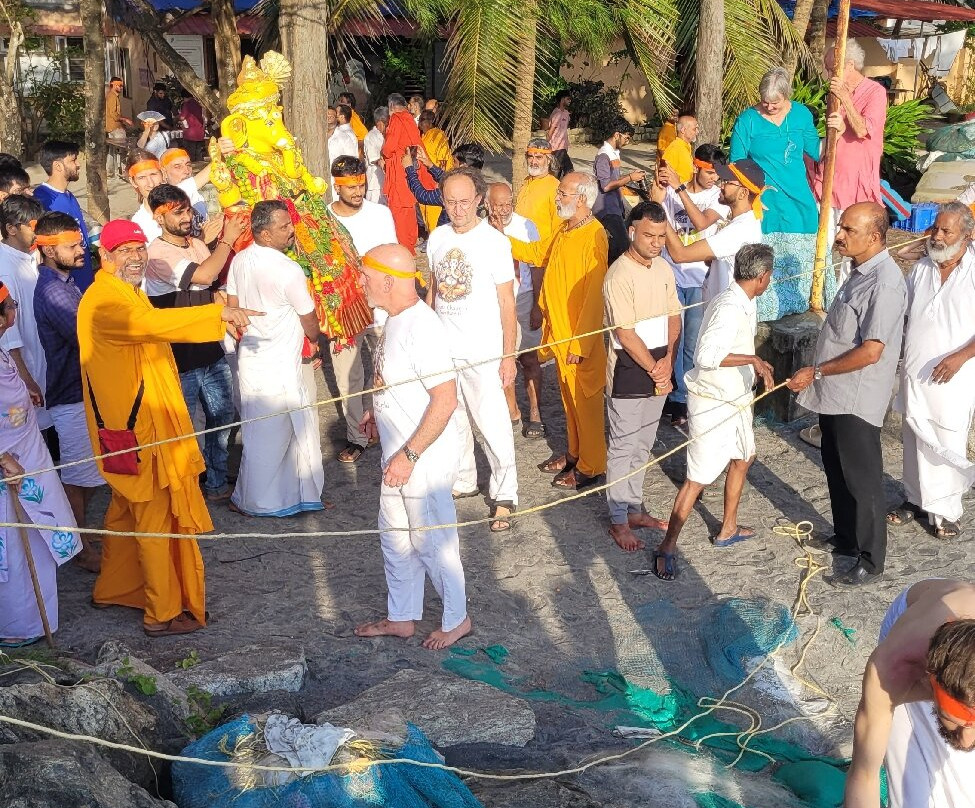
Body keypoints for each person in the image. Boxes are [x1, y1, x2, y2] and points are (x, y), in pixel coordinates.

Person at [79, 219, 258, 637]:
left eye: (140, 249)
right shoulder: (105, 302)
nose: (137, 257)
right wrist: (218, 313)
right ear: (104, 257)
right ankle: (162, 613)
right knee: (156, 520)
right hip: (134, 432)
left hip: (134, 426)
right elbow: (153, 327)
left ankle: (116, 588)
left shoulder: (124, 292)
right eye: (125, 251)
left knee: (128, 511)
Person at [353, 243, 471, 650]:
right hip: (397, 454)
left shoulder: (423, 327)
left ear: (388, 280)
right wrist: (377, 412)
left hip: (422, 457)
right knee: (395, 536)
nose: (361, 282)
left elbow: (445, 399)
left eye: (366, 276)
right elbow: (395, 382)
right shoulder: (394, 319)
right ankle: (402, 617)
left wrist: (409, 454)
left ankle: (458, 618)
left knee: (432, 540)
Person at [788, 202, 907, 587]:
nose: (839, 235)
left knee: (862, 480)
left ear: (874, 236)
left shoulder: (885, 282)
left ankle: (870, 559)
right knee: (836, 469)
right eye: (841, 227)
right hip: (834, 394)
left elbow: (872, 351)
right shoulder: (859, 270)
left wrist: (818, 370)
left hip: (856, 397)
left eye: (848, 230)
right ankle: (845, 538)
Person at [652, 244, 776, 581]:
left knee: (743, 458)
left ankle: (728, 528)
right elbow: (706, 356)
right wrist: (753, 360)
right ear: (762, 277)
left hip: (736, 400)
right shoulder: (728, 307)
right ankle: (666, 547)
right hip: (713, 403)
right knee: (697, 479)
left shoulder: (744, 301)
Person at [428, 168, 519, 531]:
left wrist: (508, 354)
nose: (458, 209)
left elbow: (507, 303)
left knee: (493, 424)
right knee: (453, 419)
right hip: (445, 347)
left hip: (483, 350)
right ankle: (464, 478)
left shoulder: (494, 243)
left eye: (465, 201)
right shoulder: (436, 238)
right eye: (450, 201)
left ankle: (505, 492)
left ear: (479, 200)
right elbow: (433, 291)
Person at [510, 172, 609, 491]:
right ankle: (574, 454)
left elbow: (595, 296)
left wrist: (581, 344)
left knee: (587, 404)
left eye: (562, 194)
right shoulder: (565, 229)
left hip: (580, 341)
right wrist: (499, 235)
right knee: (569, 401)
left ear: (581, 199)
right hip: (560, 335)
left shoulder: (595, 235)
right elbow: (538, 253)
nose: (556, 198)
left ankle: (592, 467)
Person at [145, 184, 244, 501]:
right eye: (179, 212)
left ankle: (214, 481)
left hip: (210, 349)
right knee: (182, 428)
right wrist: (226, 240)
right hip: (178, 357)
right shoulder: (156, 254)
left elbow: (211, 288)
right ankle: (184, 489)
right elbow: (202, 276)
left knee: (222, 416)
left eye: (188, 209)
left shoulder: (198, 245)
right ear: (159, 218)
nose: (187, 217)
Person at [227, 200, 325, 517]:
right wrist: (314, 340)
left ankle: (285, 495)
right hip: (279, 364)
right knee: (279, 434)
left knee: (258, 433)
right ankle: (260, 502)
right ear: (265, 234)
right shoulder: (287, 269)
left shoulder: (240, 260)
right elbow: (308, 317)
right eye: (284, 226)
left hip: (251, 359)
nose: (291, 230)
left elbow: (232, 305)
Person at [844, 579, 975, 808]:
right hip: (917, 622)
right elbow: (864, 774)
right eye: (953, 721)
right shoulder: (893, 668)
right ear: (927, 681)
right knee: (913, 794)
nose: (966, 740)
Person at [887, 202, 975, 541]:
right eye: (935, 228)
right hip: (915, 371)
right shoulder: (923, 267)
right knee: (914, 437)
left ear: (967, 236)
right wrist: (924, 245)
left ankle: (945, 511)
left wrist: (959, 357)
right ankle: (914, 500)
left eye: (946, 231)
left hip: (956, 374)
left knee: (947, 437)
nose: (937, 235)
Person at [0, 279, 81, 647]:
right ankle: (17, 627)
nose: (15, 310)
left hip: (28, 461)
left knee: (38, 545)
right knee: (17, 552)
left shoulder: (2, 352)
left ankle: (36, 621)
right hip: (10, 473)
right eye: (12, 305)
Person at [602, 202, 681, 552]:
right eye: (649, 235)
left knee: (644, 443)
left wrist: (670, 360)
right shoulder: (618, 275)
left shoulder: (663, 268)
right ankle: (618, 519)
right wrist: (655, 366)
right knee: (623, 446)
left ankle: (633, 507)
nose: (656, 242)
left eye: (662, 236)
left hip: (660, 364)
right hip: (630, 370)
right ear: (632, 232)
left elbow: (675, 315)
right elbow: (625, 333)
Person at [33, 212, 105, 574]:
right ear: (48, 251)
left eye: (81, 242)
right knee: (78, 478)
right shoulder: (51, 290)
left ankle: (82, 537)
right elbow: (86, 335)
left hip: (80, 392)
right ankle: (79, 546)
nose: (82, 250)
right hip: (70, 395)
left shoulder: (63, 281)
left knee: (89, 475)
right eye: (73, 245)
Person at [730, 66, 832, 321]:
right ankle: (768, 309)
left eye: (775, 102)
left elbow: (818, 152)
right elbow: (736, 163)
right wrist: (752, 196)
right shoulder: (748, 120)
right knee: (765, 253)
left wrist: (836, 132)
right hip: (764, 199)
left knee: (807, 244)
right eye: (764, 101)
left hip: (798, 195)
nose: (769, 106)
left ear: (786, 96)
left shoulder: (800, 116)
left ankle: (809, 301)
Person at [327, 156, 398, 463]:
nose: (357, 191)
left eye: (361, 185)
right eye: (350, 187)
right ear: (336, 185)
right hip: (342, 311)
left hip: (381, 309)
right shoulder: (324, 220)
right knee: (348, 376)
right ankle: (358, 436)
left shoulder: (381, 214)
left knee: (388, 371)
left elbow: (393, 258)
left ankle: (389, 427)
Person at [652, 144, 729, 425]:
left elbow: (698, 224)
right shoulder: (674, 188)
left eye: (718, 175)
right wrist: (659, 183)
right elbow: (654, 209)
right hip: (670, 275)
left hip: (698, 278)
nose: (714, 179)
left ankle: (685, 398)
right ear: (697, 166)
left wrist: (679, 188)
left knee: (692, 343)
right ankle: (671, 395)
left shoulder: (718, 197)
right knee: (672, 339)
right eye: (710, 172)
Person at [486, 181, 545, 437]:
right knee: (504, 358)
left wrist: (537, 306)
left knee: (530, 358)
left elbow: (536, 266)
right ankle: (512, 411)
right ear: (487, 204)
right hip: (496, 302)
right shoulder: (479, 229)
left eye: (507, 203)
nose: (503, 210)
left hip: (524, 298)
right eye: (497, 205)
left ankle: (535, 412)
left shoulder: (525, 225)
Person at [815, 39, 888, 246]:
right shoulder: (833, 94)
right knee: (822, 244)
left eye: (832, 69)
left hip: (857, 184)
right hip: (829, 179)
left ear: (849, 65)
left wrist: (846, 98)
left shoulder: (875, 92)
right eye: (827, 70)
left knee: (855, 247)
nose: (829, 76)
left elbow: (863, 129)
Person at [663, 159, 763, 302]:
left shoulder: (739, 230)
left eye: (728, 182)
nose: (720, 185)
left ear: (743, 193)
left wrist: (659, 211)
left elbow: (680, 255)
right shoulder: (746, 222)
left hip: (726, 313)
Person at [0, 196, 48, 432]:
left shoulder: (29, 257)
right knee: (24, 440)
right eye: (32, 226)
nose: (38, 232)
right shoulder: (5, 268)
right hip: (21, 381)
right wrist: (27, 381)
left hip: (41, 367)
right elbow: (9, 338)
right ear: (11, 229)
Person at [33, 141, 94, 291]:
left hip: (83, 276)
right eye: (73, 160)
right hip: (67, 286)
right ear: (58, 166)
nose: (78, 164)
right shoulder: (42, 200)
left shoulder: (69, 195)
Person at [593, 117, 646, 264]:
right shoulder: (604, 156)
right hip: (606, 209)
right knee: (623, 246)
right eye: (626, 138)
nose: (627, 142)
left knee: (617, 246)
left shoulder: (613, 153)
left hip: (615, 206)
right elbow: (606, 185)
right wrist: (629, 177)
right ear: (617, 135)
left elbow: (613, 178)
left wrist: (630, 177)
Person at [381, 93, 423, 252]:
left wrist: (383, 152)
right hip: (408, 168)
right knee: (409, 208)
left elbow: (389, 148)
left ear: (391, 107)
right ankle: (410, 244)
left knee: (399, 209)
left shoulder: (397, 119)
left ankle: (403, 247)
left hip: (398, 171)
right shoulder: (410, 119)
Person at [417, 109, 455, 235]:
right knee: (425, 210)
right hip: (424, 179)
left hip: (435, 178)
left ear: (430, 122)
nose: (421, 124)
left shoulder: (438, 135)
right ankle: (429, 235)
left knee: (434, 212)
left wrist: (442, 180)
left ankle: (435, 236)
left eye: (423, 120)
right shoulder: (423, 136)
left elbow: (444, 159)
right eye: (420, 120)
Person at [516, 138, 561, 242]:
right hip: (520, 250)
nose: (533, 162)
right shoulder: (526, 181)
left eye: (539, 157)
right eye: (530, 157)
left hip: (540, 254)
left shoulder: (555, 187)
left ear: (549, 160)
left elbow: (559, 228)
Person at [159, 147, 210, 228]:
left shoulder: (191, 190)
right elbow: (214, 168)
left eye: (188, 165)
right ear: (163, 172)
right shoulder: (173, 194)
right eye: (177, 166)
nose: (186, 171)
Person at [127, 150, 166, 243]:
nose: (151, 184)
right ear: (133, 182)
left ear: (163, 173)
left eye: (154, 174)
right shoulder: (138, 224)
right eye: (142, 177)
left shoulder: (182, 201)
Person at [660, 114, 699, 185]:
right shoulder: (675, 148)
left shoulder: (686, 146)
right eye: (694, 129)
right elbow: (664, 177)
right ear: (683, 130)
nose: (697, 132)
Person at [364, 106, 388, 203]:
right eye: (387, 122)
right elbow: (373, 158)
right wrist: (383, 162)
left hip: (387, 182)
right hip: (375, 184)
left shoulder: (388, 134)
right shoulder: (371, 136)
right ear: (380, 122)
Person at [546, 90, 573, 179]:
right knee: (564, 170)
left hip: (563, 147)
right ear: (562, 99)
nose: (570, 101)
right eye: (568, 98)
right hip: (556, 148)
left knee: (562, 170)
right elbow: (551, 130)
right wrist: (546, 144)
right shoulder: (557, 114)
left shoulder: (566, 113)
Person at [177, 90, 207, 161]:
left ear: (184, 97)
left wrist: (177, 117)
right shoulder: (199, 104)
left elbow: (182, 117)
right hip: (200, 132)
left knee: (191, 155)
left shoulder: (186, 104)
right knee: (199, 154)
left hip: (190, 134)